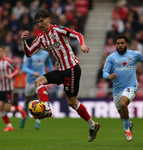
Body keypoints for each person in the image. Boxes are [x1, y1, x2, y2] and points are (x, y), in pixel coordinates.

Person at [20, 9, 100, 142]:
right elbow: (28, 53)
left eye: (42, 21)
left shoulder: (58, 30)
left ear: (48, 19)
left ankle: (93, 125)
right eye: (38, 22)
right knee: (38, 81)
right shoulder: (40, 38)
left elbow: (77, 34)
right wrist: (23, 42)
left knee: (72, 102)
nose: (40, 24)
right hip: (61, 70)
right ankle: (46, 108)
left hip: (72, 68)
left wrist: (83, 44)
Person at [103, 34, 143, 141]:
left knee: (123, 104)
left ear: (127, 44)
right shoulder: (111, 58)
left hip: (131, 86)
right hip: (117, 90)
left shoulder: (134, 54)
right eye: (118, 43)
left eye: (122, 43)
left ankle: (127, 130)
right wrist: (109, 76)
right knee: (122, 114)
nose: (120, 45)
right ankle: (129, 124)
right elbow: (104, 72)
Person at [0, 45, 26, 132]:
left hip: (8, 88)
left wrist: (11, 75)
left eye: (0, 51)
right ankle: (9, 125)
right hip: (0, 88)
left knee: (7, 109)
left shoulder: (8, 61)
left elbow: (16, 70)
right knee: (0, 107)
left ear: (3, 52)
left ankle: (20, 109)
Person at [20, 49, 53, 129]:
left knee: (41, 100)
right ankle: (24, 117)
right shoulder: (29, 54)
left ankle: (38, 121)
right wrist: (32, 73)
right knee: (27, 100)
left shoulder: (45, 54)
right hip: (30, 81)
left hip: (41, 80)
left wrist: (51, 73)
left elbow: (49, 64)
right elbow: (24, 68)